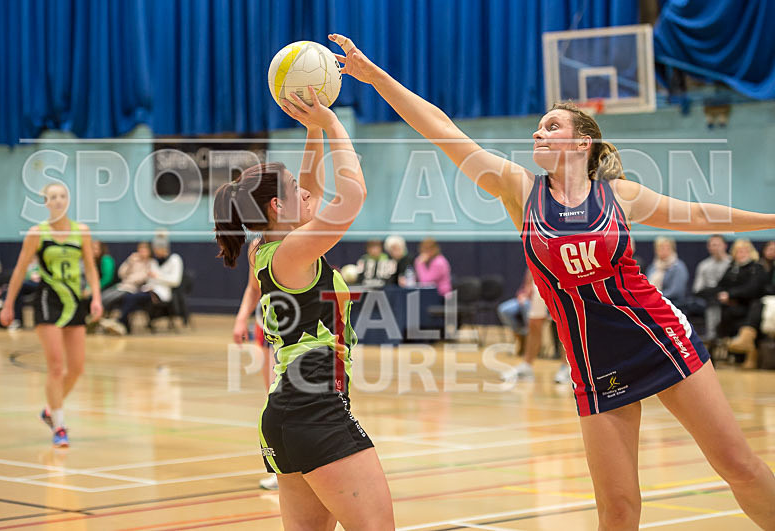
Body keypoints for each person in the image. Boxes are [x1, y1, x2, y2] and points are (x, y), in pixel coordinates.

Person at [330, 32, 775, 528]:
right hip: (591, 358)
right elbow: (442, 129)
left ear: (582, 142)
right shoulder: (519, 190)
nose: (539, 133)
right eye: (538, 127)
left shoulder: (619, 194)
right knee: (619, 506)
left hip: (658, 337)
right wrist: (374, 79)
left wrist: (771, 220)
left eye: (552, 126)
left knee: (738, 465)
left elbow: (697, 214)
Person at [213, 86, 393, 529]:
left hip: (285, 416)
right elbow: (353, 196)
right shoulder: (293, 252)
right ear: (277, 206)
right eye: (295, 188)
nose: (308, 191)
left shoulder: (266, 247)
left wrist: (313, 128)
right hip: (316, 413)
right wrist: (334, 125)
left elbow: (310, 189)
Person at [0, 183, 102, 447]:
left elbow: (90, 268)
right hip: (48, 301)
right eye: (52, 197)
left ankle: (49, 409)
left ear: (68, 200)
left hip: (75, 301)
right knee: (56, 366)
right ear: (45, 203)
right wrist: (9, 304)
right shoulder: (37, 233)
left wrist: (97, 298)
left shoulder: (82, 232)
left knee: (77, 368)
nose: (58, 200)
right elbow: (21, 270)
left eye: (62, 196)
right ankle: (59, 426)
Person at [231, 236, 279, 491]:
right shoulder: (256, 245)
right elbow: (253, 288)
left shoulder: (304, 236)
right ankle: (280, 470)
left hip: (300, 332)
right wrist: (241, 319)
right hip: (267, 327)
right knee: (273, 400)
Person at [715, 239, 767, 368]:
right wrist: (723, 295)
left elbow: (753, 289)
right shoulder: (732, 268)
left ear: (751, 252)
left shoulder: (757, 267)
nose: (741, 254)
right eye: (738, 251)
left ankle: (747, 346)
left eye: (744, 251)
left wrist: (731, 294)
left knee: (754, 308)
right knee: (724, 312)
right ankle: (728, 347)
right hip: (733, 305)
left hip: (751, 304)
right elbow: (720, 286)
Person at [116, 235, 183, 334]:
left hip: (162, 293)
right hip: (148, 290)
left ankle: (120, 322)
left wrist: (158, 277)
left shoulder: (175, 259)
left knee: (132, 298)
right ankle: (124, 324)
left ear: (164, 248)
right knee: (129, 296)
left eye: (158, 248)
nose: (156, 251)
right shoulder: (154, 262)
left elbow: (175, 281)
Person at [692, 235, 731, 343]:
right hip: (708, 297)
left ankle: (721, 338)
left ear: (725, 246)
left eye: (718, 244)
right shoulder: (704, 265)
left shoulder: (732, 264)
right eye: (712, 245)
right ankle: (712, 337)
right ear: (708, 247)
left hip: (729, 296)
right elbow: (697, 289)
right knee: (712, 301)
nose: (715, 248)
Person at [645, 236, 689, 308]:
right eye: (660, 248)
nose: (663, 250)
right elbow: (646, 286)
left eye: (667, 247)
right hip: (653, 304)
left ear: (673, 249)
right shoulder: (652, 267)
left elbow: (676, 291)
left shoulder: (678, 267)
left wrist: (655, 297)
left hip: (673, 305)